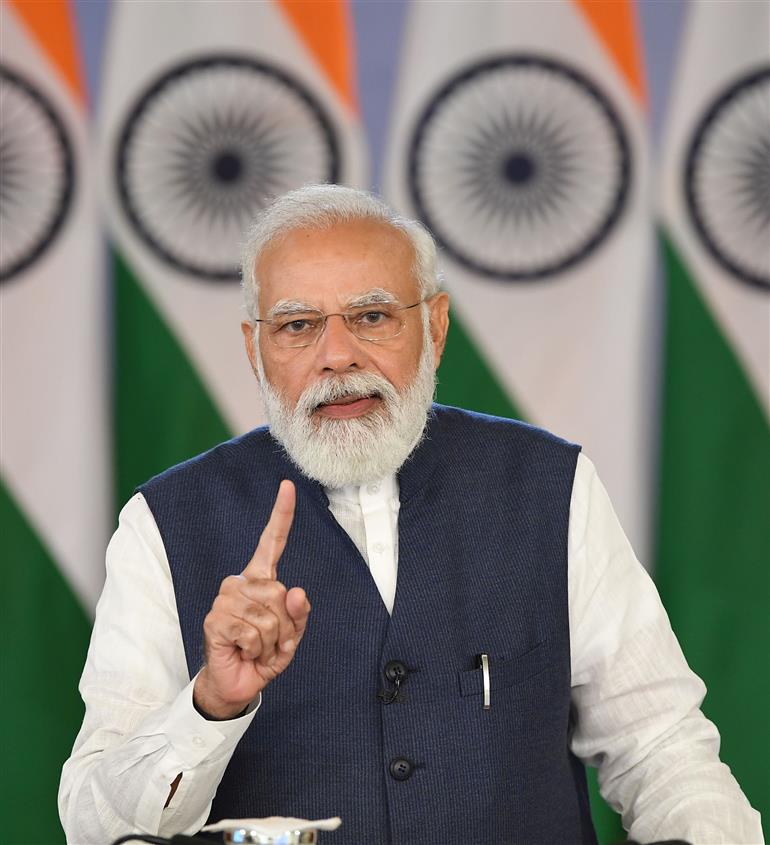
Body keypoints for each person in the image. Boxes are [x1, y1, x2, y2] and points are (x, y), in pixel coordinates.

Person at [59, 186, 762, 845]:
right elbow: (94, 821)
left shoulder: (550, 486)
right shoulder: (164, 522)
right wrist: (210, 704)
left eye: (371, 316)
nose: (337, 356)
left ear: (434, 325)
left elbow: (662, 747)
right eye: (298, 325)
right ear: (256, 349)